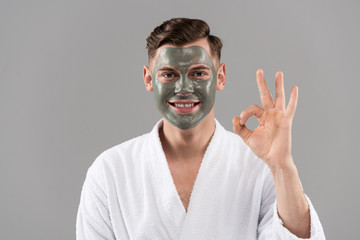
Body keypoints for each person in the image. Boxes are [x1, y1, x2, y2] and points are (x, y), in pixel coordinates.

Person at [76, 18, 325, 239]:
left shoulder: (260, 167)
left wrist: (282, 166)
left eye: (198, 73)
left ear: (220, 76)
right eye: (169, 74)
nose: (184, 87)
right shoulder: (109, 172)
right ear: (149, 79)